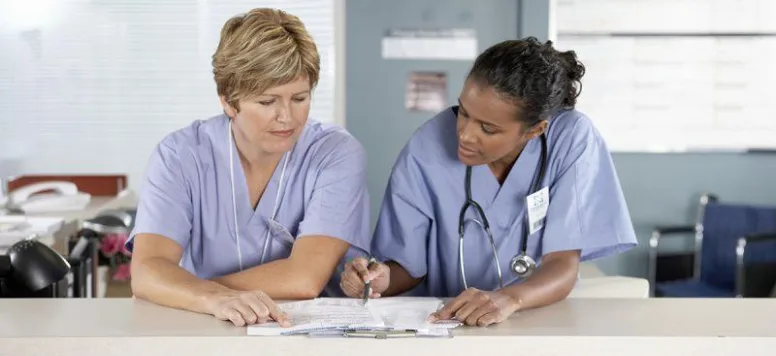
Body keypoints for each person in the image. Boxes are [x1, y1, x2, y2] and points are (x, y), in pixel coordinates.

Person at [340, 37, 638, 326]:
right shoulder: (427, 145)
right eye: (464, 113)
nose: (465, 135)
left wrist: (508, 299)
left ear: (535, 130)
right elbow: (408, 266)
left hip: (535, 319)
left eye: (488, 128)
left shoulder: (571, 139)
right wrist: (379, 278)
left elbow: (562, 263)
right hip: (447, 322)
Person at [127, 8, 370, 327]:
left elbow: (304, 278)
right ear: (228, 100)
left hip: (308, 333)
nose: (286, 117)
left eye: (299, 98)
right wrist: (210, 298)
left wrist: (187, 288)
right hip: (208, 328)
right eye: (267, 102)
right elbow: (147, 270)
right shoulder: (180, 156)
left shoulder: (334, 153)